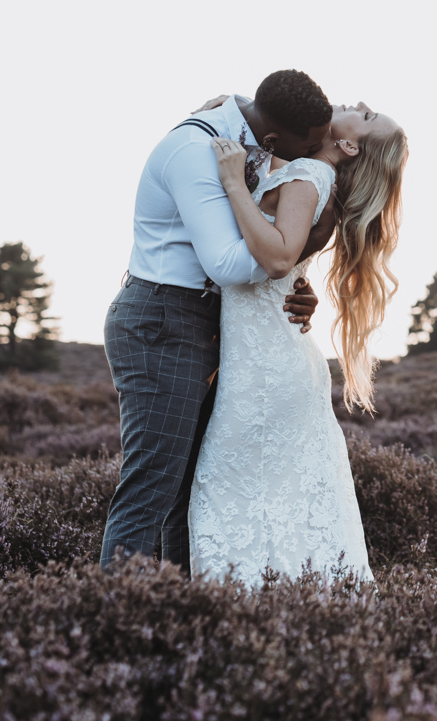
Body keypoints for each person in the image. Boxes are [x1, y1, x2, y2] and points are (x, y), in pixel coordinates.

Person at [99, 70, 337, 571]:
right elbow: (227, 264)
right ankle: (115, 622)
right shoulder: (195, 151)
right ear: (273, 139)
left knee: (198, 489)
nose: (312, 156)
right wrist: (291, 255)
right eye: (308, 147)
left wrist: (291, 283)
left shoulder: (248, 133)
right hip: (162, 321)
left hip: (212, 324)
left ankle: (193, 615)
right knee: (153, 487)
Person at [188, 101, 408, 584]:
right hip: (274, 357)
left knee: (232, 493)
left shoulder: (309, 174)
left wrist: (229, 180)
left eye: (368, 118)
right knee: (282, 501)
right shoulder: (308, 174)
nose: (363, 105)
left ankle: (252, 613)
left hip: (265, 368)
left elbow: (278, 257)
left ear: (349, 146)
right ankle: (302, 615)